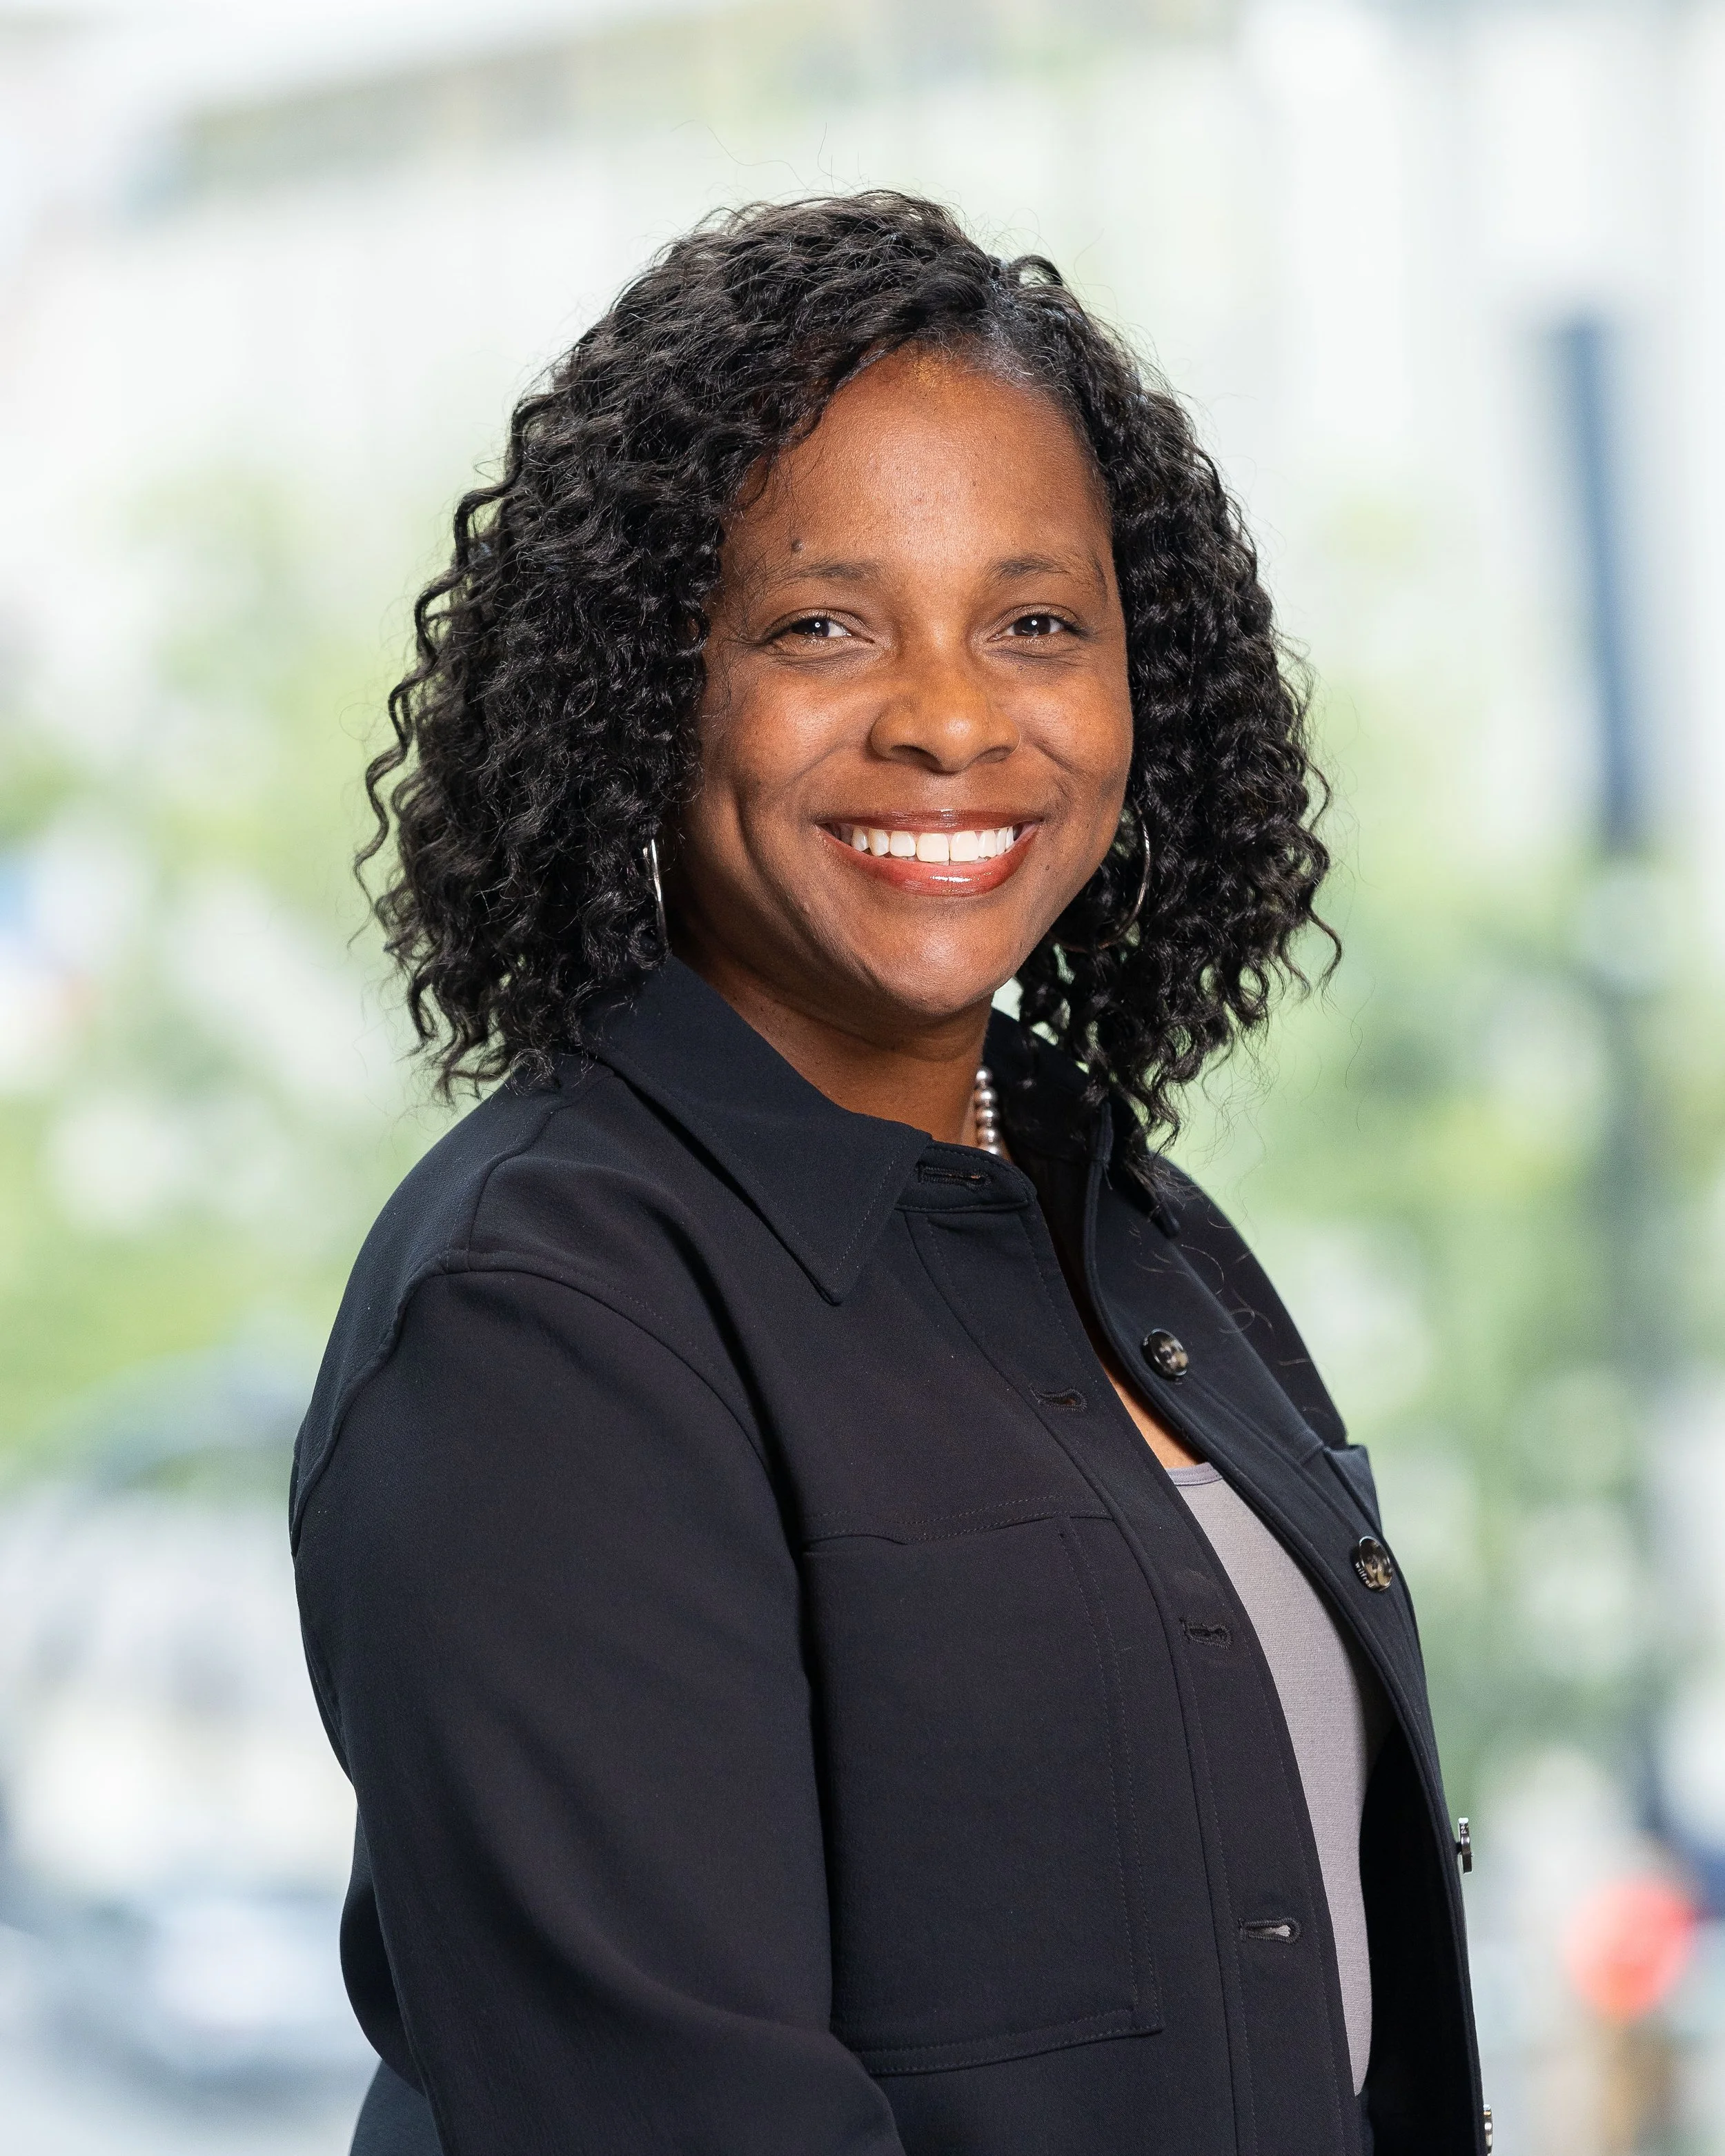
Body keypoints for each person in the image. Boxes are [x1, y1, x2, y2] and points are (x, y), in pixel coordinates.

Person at [292, 192, 1484, 2156]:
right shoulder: (540, 1323)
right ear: (647, 686)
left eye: (1036, 625)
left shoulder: (1138, 1234)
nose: (948, 719)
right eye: (821, 626)